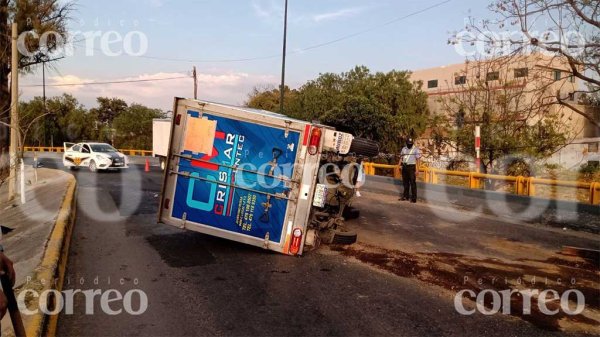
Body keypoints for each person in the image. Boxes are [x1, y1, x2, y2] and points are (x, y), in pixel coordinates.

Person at [399, 138, 421, 203]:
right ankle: (406, 196)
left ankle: (414, 198)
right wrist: (399, 165)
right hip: (404, 167)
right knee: (405, 183)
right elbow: (401, 157)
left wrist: (417, 170)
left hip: (412, 167)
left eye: (410, 144)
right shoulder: (404, 149)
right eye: (408, 144)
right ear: (406, 143)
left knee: (412, 183)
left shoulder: (416, 149)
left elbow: (418, 160)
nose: (409, 145)